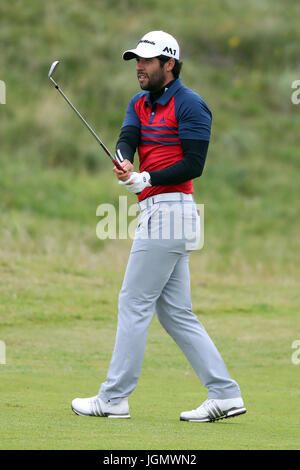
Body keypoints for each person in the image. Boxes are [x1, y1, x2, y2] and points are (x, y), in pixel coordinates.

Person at [71, 31, 246, 422]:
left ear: (169, 64)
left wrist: (147, 178)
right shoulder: (138, 103)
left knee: (133, 301)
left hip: (172, 210)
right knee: (175, 313)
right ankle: (225, 393)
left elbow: (194, 164)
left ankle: (114, 397)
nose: (139, 66)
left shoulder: (191, 104)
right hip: (159, 211)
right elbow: (126, 139)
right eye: (137, 60)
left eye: (147, 61)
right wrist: (125, 163)